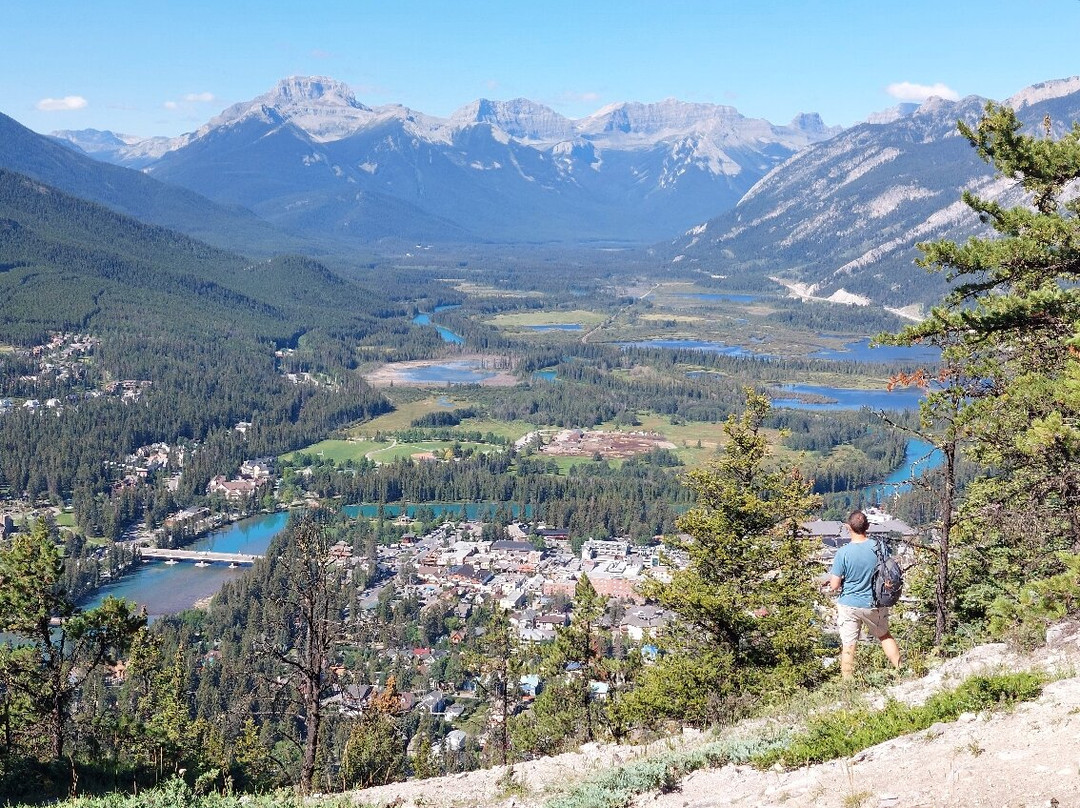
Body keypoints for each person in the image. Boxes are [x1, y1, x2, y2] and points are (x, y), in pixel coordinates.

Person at [825, 510, 901, 679]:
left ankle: (847, 685)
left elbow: (835, 585)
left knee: (848, 646)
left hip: (849, 605)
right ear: (867, 527)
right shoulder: (878, 547)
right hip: (874, 603)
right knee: (884, 636)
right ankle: (901, 670)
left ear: (848, 527)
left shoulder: (843, 553)